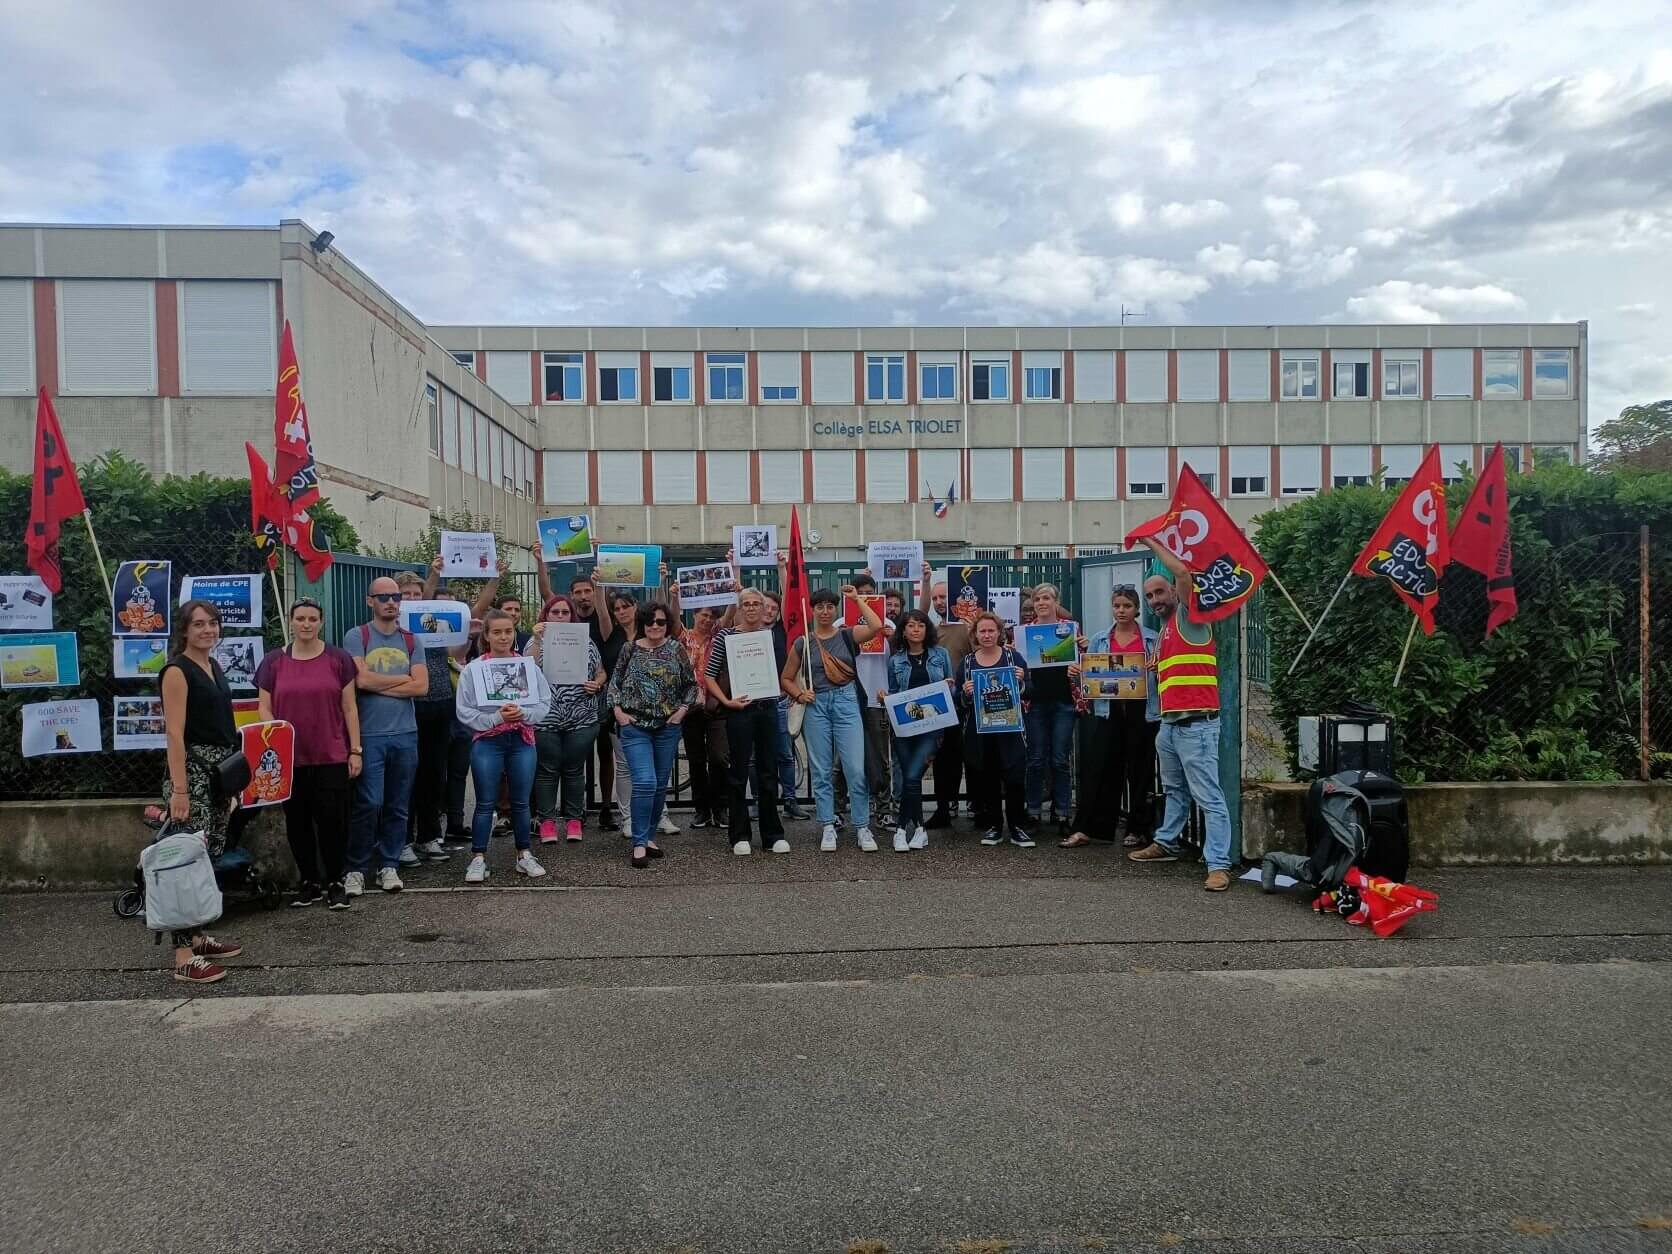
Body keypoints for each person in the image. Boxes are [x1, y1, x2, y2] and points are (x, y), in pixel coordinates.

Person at [1127, 539, 1235, 892]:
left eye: (1160, 592)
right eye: (1150, 596)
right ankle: (1167, 842)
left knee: (1209, 797)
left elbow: (1184, 572)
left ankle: (1219, 864)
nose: (1155, 600)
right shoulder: (1164, 631)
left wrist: (1152, 542)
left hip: (1197, 725)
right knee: (1175, 790)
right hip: (1171, 726)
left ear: (1173, 591)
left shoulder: (1190, 615)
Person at [255, 597, 361, 911]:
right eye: (300, 618)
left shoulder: (338, 659)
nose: (306, 624)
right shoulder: (273, 661)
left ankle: (335, 882)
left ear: (321, 622)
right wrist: (271, 733)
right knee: (297, 823)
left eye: (312, 619)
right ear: (290, 621)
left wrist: (355, 749)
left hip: (331, 753)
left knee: (333, 823)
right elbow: (264, 704)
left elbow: (350, 707)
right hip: (289, 758)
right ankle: (309, 881)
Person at [157, 599, 243, 984]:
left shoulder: (213, 664)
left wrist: (230, 784)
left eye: (213, 623)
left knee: (209, 858)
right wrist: (180, 791)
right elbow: (174, 733)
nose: (208, 630)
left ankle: (198, 937)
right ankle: (183, 957)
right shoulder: (177, 671)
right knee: (185, 865)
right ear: (184, 630)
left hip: (218, 775)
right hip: (192, 776)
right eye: (199, 625)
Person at [342, 575, 428, 896]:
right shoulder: (357, 636)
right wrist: (401, 680)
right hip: (370, 734)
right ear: (370, 601)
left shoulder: (411, 640)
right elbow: (360, 680)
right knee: (368, 802)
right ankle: (356, 868)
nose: (391, 602)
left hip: (406, 734)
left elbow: (422, 686)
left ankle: (389, 864)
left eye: (395, 597)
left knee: (398, 804)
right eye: (383, 597)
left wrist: (380, 682)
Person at [782, 585, 883, 852]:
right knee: (822, 769)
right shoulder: (803, 641)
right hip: (816, 706)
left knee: (855, 768)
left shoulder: (848, 635)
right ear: (812, 610)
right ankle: (828, 824)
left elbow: (876, 625)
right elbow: (786, 678)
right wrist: (799, 694)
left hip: (846, 701)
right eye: (820, 606)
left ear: (835, 608)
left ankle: (862, 826)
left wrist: (857, 599)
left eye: (830, 606)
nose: (825, 611)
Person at [457, 609, 552, 883]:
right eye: (496, 632)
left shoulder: (527, 666)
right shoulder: (474, 669)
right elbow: (464, 710)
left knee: (521, 802)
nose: (503, 637)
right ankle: (478, 858)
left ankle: (524, 854)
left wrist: (524, 714)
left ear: (514, 633)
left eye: (508, 631)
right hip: (488, 742)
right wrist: (496, 717)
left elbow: (543, 702)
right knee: (486, 802)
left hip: (521, 741)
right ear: (486, 635)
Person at [1062, 585, 1158, 849]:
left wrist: (1158, 667)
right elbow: (1090, 676)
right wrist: (1076, 673)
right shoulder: (1100, 639)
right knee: (1101, 770)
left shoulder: (1152, 639)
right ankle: (1090, 829)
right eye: (1117, 606)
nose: (1121, 611)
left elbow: (1163, 675)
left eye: (1127, 606)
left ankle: (1137, 829)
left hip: (1143, 711)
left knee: (1140, 772)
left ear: (1137, 608)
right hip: (1108, 710)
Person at [609, 601, 697, 867]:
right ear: (642, 624)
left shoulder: (676, 649)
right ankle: (638, 842)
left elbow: (691, 686)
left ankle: (647, 836)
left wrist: (682, 711)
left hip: (667, 727)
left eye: (660, 622)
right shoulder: (629, 649)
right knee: (645, 782)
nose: (655, 626)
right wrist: (619, 713)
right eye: (650, 622)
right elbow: (614, 685)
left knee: (659, 784)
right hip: (635, 726)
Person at [708, 587, 789, 855]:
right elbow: (709, 676)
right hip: (739, 709)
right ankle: (739, 834)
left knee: (768, 771)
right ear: (740, 608)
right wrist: (727, 700)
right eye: (747, 604)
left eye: (757, 603)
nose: (752, 608)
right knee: (738, 773)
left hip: (767, 708)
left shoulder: (772, 636)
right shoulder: (725, 637)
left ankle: (772, 834)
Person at [525, 594, 605, 843]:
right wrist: (539, 640)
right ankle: (547, 822)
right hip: (545, 718)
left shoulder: (586, 642)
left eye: (565, 612)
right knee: (547, 770)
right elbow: (528, 670)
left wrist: (597, 684)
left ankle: (573, 820)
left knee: (574, 770)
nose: (560, 616)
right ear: (546, 615)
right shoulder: (533, 642)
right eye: (555, 612)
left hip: (581, 718)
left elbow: (601, 672)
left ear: (572, 616)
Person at [957, 610, 1033, 847]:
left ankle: (1018, 826)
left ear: (1000, 632)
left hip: (1010, 729)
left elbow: (1031, 691)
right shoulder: (968, 662)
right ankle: (994, 826)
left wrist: (1022, 681)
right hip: (981, 730)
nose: (987, 635)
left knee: (1014, 778)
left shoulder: (1014, 658)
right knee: (987, 778)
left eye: (992, 630)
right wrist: (966, 692)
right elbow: (958, 699)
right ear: (975, 634)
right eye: (983, 631)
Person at [884, 609, 951, 851]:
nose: (916, 630)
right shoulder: (895, 661)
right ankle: (919, 831)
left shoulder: (940, 655)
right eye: (911, 626)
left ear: (927, 629)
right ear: (903, 630)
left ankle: (902, 829)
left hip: (931, 728)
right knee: (908, 779)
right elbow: (893, 693)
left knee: (912, 777)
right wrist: (885, 697)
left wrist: (948, 687)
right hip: (904, 727)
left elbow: (950, 691)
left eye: (920, 625)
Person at [401, 564, 453, 867]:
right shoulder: (394, 631)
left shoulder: (431, 623)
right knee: (407, 776)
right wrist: (433, 574)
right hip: (408, 706)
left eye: (416, 594)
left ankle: (429, 836)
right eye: (404, 595)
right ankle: (404, 839)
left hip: (440, 702)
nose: (410, 600)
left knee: (435, 775)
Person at [1022, 582, 1084, 835]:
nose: (1042, 603)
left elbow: (1086, 665)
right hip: (1035, 702)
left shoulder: (1070, 630)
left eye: (1047, 598)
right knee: (1036, 759)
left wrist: (1084, 651)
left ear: (1056, 603)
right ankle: (1033, 812)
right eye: (1038, 599)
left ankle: (1062, 815)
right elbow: (1017, 663)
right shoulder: (1024, 632)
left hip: (1063, 702)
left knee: (1060, 760)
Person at [570, 571, 623, 831]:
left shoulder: (605, 620)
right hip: (573, 694)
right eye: (578, 592)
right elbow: (547, 595)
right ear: (572, 596)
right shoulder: (567, 618)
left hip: (601, 692)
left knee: (606, 753)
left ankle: (605, 808)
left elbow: (603, 609)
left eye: (588, 590)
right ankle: (576, 808)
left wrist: (600, 571)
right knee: (576, 754)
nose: (583, 596)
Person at [918, 561, 969, 829]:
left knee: (971, 757)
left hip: (968, 701)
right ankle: (942, 809)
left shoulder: (970, 626)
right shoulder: (931, 631)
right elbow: (920, 611)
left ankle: (976, 806)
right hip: (941, 703)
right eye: (936, 598)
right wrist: (925, 580)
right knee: (943, 759)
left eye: (943, 597)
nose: (939, 602)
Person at [850, 571, 896, 830]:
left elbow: (901, 660)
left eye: (869, 592)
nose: (864, 597)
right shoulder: (840, 624)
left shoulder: (887, 623)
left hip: (878, 699)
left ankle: (883, 810)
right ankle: (840, 809)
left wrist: (894, 638)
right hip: (849, 700)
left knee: (880, 759)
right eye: (859, 592)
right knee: (842, 761)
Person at [679, 604, 731, 830]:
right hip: (691, 708)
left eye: (711, 616)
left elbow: (729, 616)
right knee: (697, 760)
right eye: (704, 615)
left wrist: (734, 592)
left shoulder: (719, 635)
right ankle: (702, 809)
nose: (708, 620)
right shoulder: (684, 637)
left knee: (720, 758)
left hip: (716, 705)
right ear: (694, 615)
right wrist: (671, 595)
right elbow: (672, 618)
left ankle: (720, 807)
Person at [760, 581, 805, 818]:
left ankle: (789, 800)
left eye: (773, 609)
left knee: (785, 754)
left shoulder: (783, 632)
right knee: (755, 757)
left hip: (778, 701)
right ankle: (759, 801)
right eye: (765, 607)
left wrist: (782, 570)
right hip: (753, 702)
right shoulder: (746, 630)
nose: (769, 611)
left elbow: (791, 601)